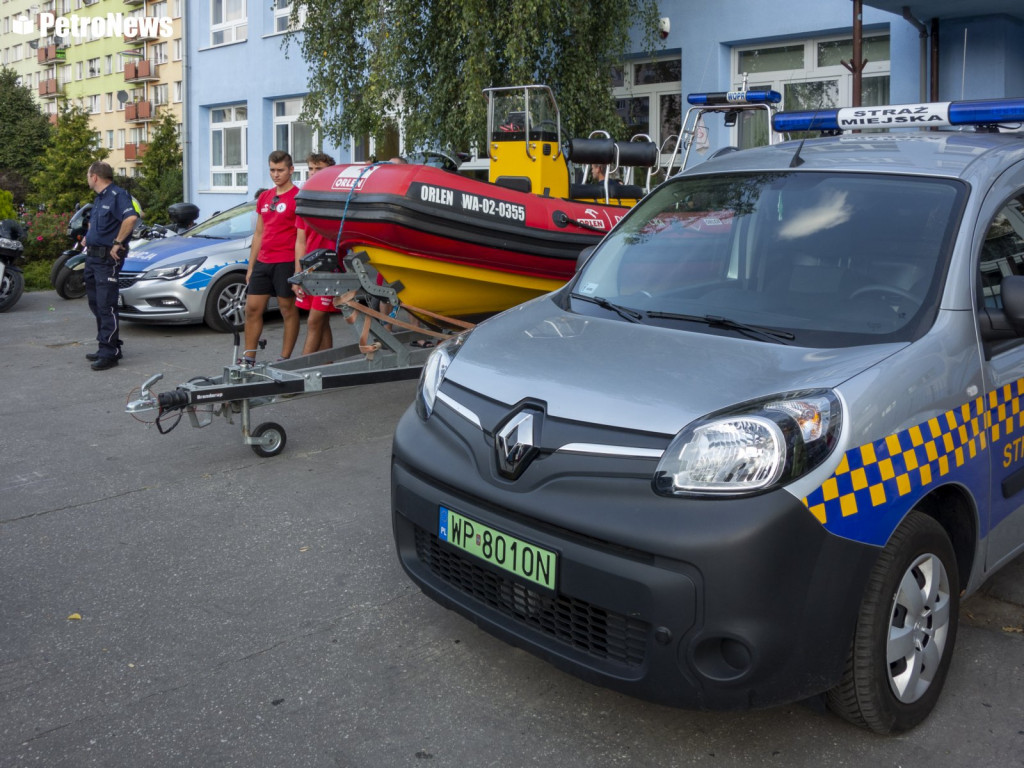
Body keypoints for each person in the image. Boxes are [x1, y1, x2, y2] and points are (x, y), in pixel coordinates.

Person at [243, 150, 301, 364]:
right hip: (263, 262)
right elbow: (259, 233)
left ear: (291, 170)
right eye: (272, 170)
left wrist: (298, 270)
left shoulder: (298, 197)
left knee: (288, 310)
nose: (276, 174)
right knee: (252, 309)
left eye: (280, 170)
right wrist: (251, 267)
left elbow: (301, 238)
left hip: (285, 262)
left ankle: (284, 358)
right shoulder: (265, 197)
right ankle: (248, 358)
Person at [83, 161, 139, 370]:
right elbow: (98, 224)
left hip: (108, 260)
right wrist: (89, 237)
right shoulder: (100, 198)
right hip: (92, 258)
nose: (87, 178)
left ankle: (110, 353)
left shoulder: (118, 195)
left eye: (88, 175)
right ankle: (107, 344)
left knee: (106, 305)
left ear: (95, 177)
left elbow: (131, 218)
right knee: (96, 303)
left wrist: (117, 242)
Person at [294, 153, 339, 355]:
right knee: (323, 321)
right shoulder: (306, 199)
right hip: (309, 269)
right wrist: (298, 276)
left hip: (330, 270)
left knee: (314, 321)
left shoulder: (336, 199)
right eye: (311, 168)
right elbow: (300, 241)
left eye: (318, 169)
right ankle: (326, 365)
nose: (313, 173)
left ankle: (301, 371)